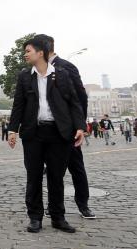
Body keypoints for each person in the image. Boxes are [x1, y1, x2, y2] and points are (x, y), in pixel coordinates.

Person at [7, 35, 85, 234]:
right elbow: (18, 105)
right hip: (34, 133)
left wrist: (80, 127)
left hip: (59, 133)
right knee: (33, 176)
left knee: (56, 177)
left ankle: (58, 218)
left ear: (40, 52)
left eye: (28, 51)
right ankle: (35, 217)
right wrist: (12, 130)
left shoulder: (62, 74)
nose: (25, 54)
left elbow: (73, 102)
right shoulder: (25, 76)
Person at [39, 35, 96, 219]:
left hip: (69, 130)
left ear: (45, 50)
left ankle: (83, 204)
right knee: (54, 171)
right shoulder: (38, 69)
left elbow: (80, 98)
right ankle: (54, 207)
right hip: (49, 130)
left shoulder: (66, 66)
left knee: (76, 167)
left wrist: (79, 125)